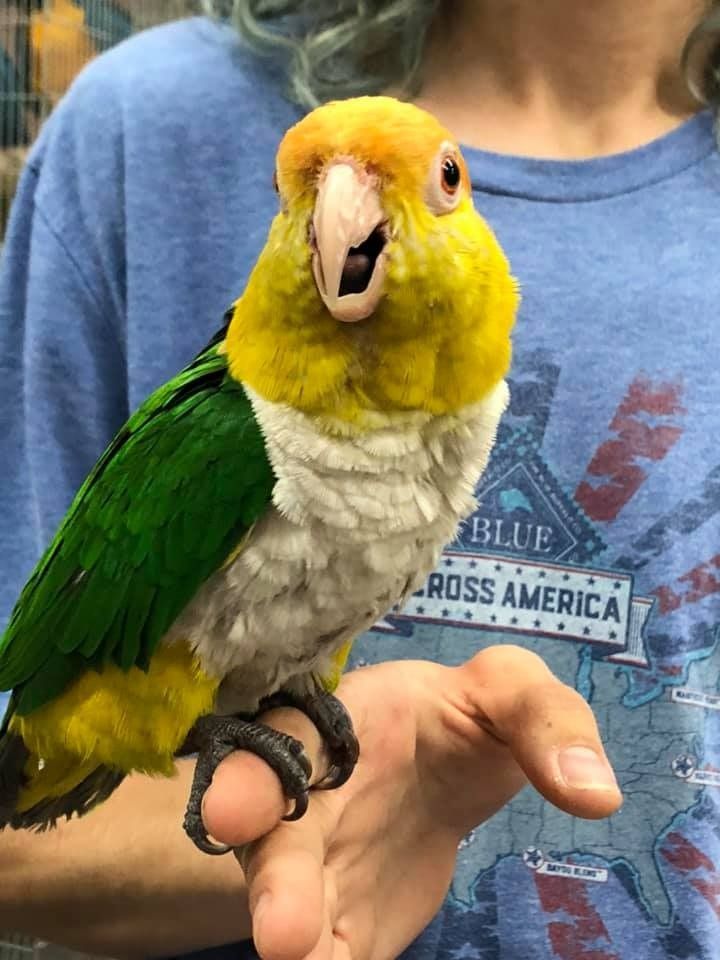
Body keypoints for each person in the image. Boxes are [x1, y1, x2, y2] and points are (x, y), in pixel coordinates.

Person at [0, 1, 717, 957]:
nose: (347, 207)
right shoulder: (218, 404)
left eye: (444, 182)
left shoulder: (465, 418)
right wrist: (261, 831)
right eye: (298, 191)